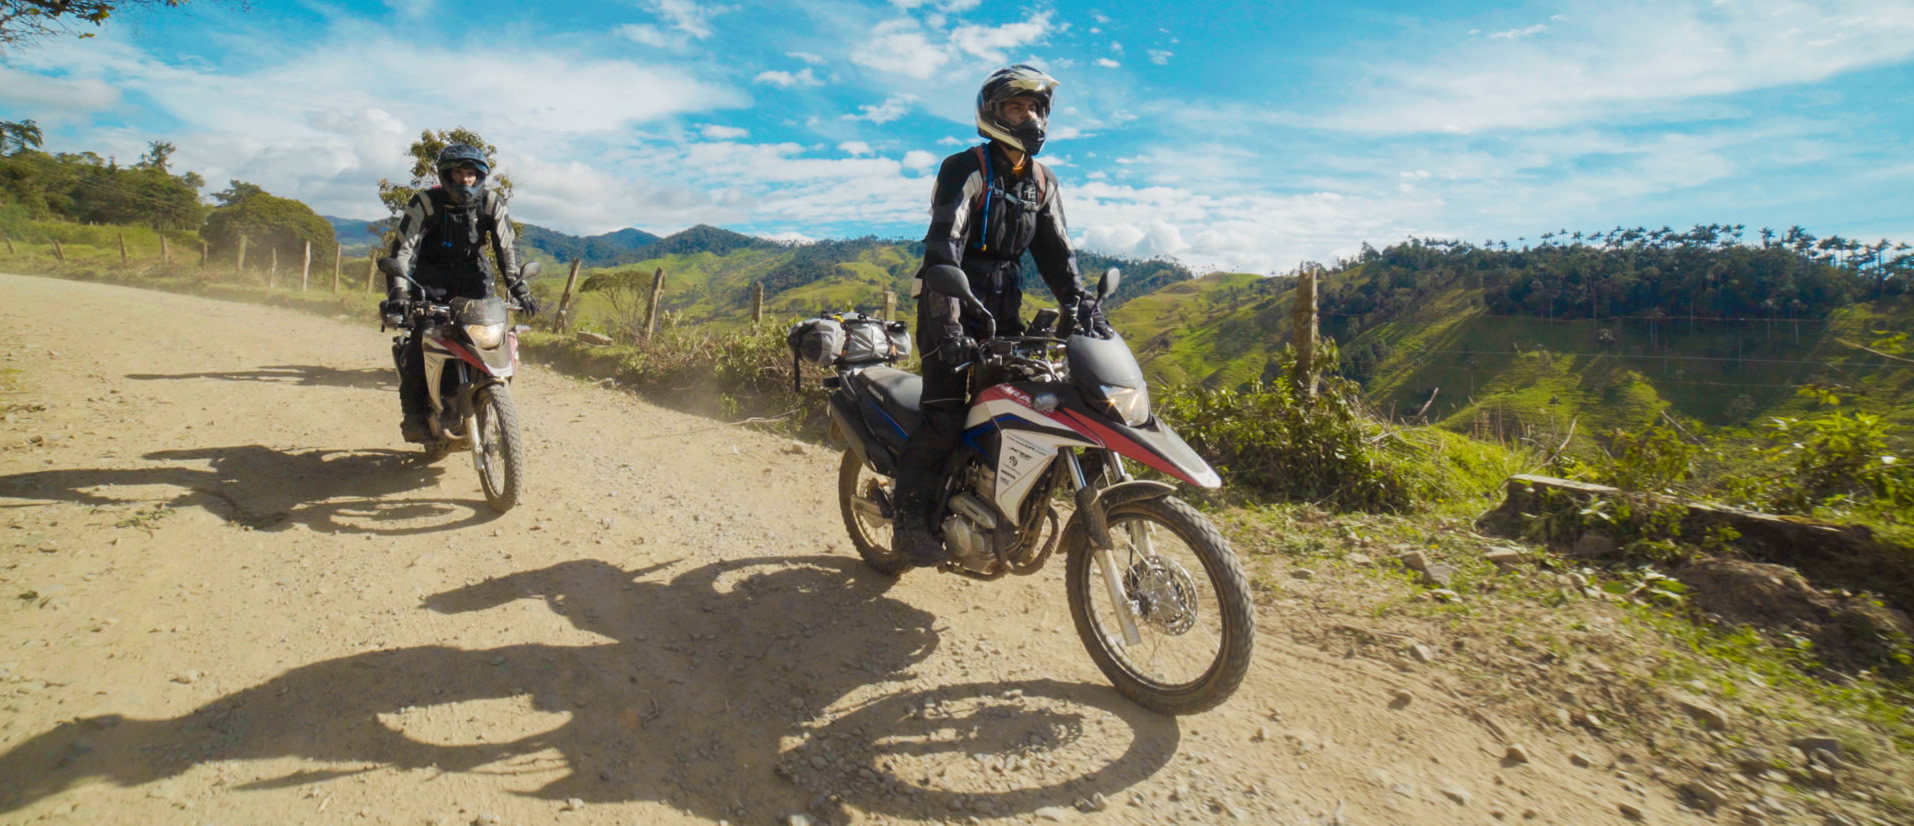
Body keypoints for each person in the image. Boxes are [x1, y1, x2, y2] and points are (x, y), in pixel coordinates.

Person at [892, 64, 1112, 567]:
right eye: (1017, 107)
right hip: (949, 298)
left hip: (1003, 308)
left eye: (1036, 107)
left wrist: (1080, 304)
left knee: (1016, 407)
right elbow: (943, 247)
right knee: (945, 415)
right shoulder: (965, 168)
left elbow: (1058, 255)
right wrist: (948, 324)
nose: (1029, 116)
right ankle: (908, 524)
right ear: (992, 113)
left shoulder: (1042, 181)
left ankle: (989, 506)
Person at [381, 143, 539, 443]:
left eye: (471, 173)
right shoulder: (426, 203)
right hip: (430, 282)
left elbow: (507, 248)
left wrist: (520, 287)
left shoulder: (492, 202)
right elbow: (405, 248)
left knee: (491, 339)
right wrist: (401, 293)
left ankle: (487, 397)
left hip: (476, 281)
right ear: (446, 174)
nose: (465, 179)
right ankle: (414, 413)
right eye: (458, 172)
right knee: (423, 337)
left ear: (478, 176)